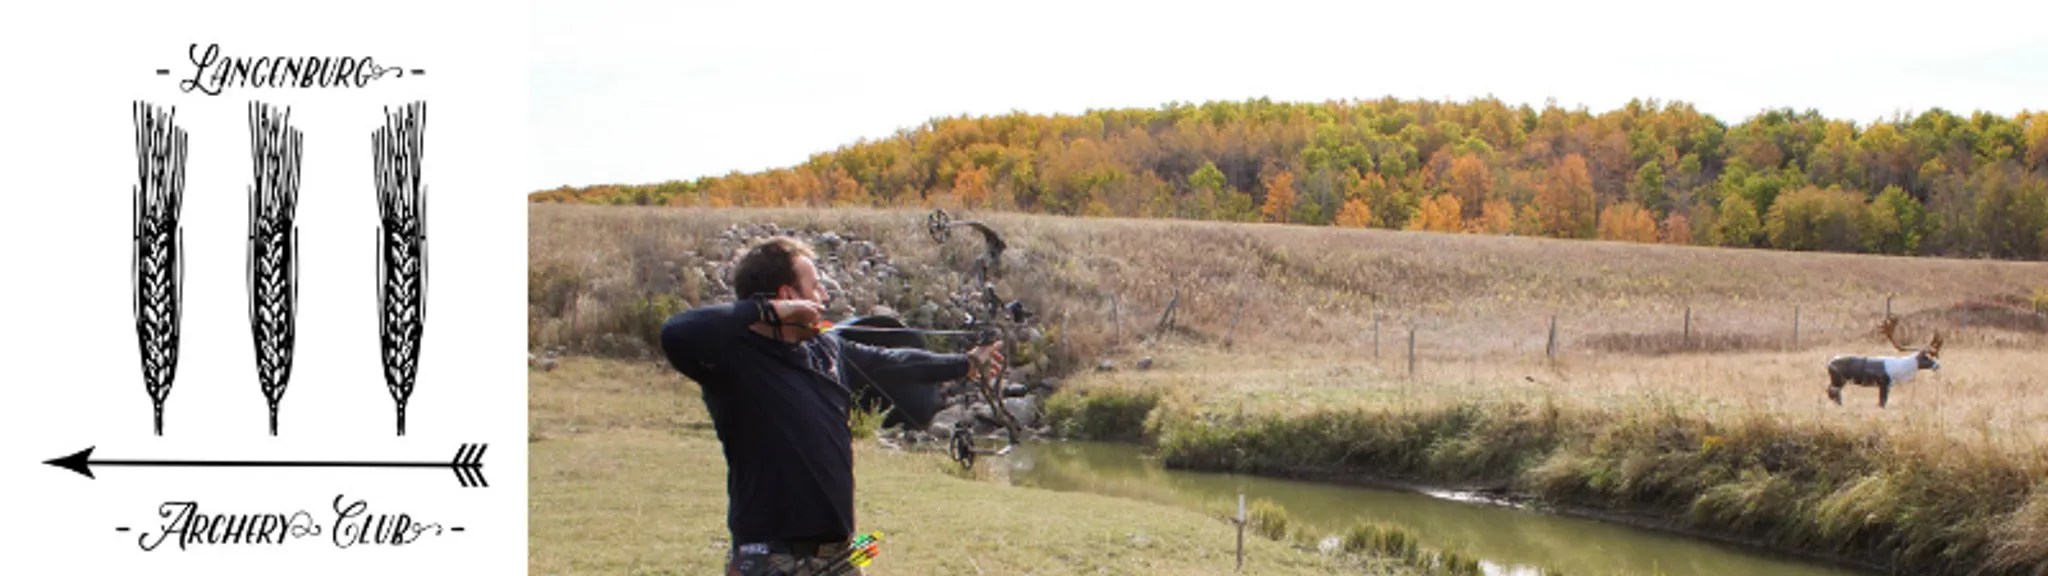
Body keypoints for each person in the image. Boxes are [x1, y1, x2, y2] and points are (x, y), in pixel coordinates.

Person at [659, 236, 1003, 576]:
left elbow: (894, 362)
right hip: (770, 558)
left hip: (839, 556)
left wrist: (967, 363)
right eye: (815, 287)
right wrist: (767, 312)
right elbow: (676, 331)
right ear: (788, 297)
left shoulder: (826, 349)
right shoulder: (734, 359)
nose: (824, 296)